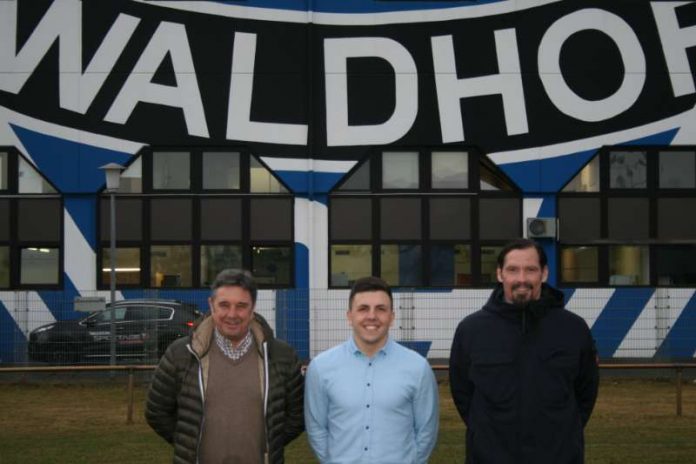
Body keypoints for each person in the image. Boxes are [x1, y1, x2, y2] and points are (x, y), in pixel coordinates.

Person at [449, 239, 599, 464]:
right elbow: (462, 392)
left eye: (530, 270)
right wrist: (484, 434)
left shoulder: (574, 329)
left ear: (544, 273)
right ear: (500, 274)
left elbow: (585, 392)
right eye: (512, 270)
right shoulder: (471, 330)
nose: (521, 279)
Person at [145, 269, 304, 464]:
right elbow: (157, 412)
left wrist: (270, 444)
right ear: (212, 306)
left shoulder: (282, 356)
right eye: (224, 305)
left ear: (252, 308)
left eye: (241, 306)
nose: (232, 314)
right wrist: (189, 444)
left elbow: (297, 416)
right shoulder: (181, 354)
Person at [304, 276, 439, 464]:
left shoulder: (418, 368)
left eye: (381, 309)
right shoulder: (321, 368)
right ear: (349, 316)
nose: (372, 316)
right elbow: (316, 428)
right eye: (363, 309)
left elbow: (427, 430)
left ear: (392, 317)